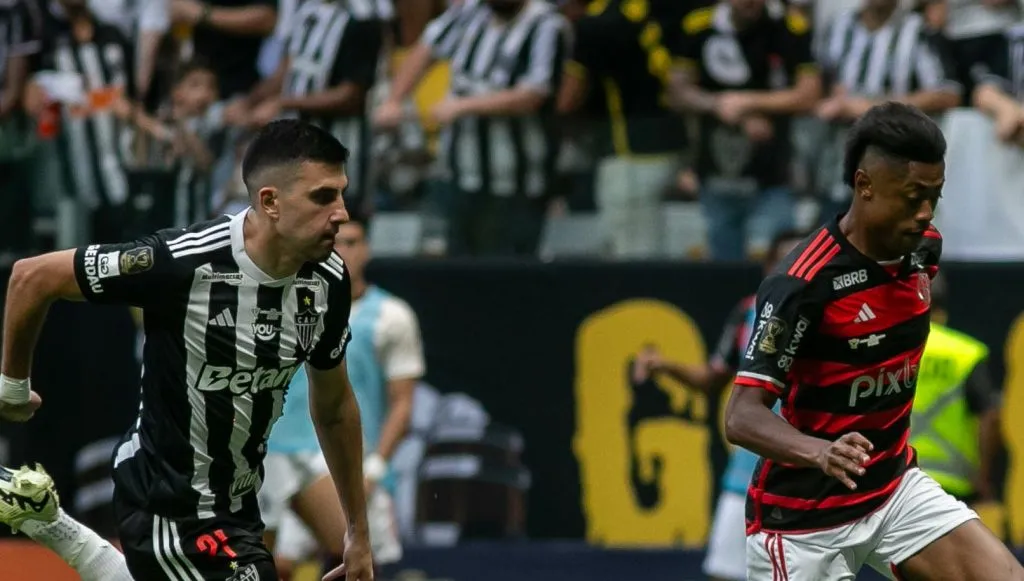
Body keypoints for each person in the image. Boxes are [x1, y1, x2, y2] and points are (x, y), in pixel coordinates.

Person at [0, 119, 375, 581]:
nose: (341, 212)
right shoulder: (183, 260)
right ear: (270, 202)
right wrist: (12, 388)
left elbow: (335, 406)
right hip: (166, 498)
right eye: (323, 197)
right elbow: (32, 276)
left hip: (237, 506)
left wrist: (357, 531)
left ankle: (50, 522)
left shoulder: (328, 280)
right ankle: (55, 527)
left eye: (341, 194)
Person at [726, 101, 1024, 580]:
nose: (925, 213)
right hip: (803, 519)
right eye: (912, 197)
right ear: (864, 186)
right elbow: (741, 416)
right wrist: (820, 452)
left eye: (935, 196)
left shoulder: (923, 249)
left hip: (892, 490)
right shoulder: (803, 283)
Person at [635, 229, 806, 581]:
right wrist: (664, 365)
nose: (792, 271)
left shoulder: (832, 317)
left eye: (801, 261)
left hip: (804, 477)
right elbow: (713, 379)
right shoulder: (747, 313)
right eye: (784, 262)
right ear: (768, 268)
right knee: (723, 575)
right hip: (746, 476)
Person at [261, 215, 424, 580]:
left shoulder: (392, 316)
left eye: (351, 243)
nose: (342, 252)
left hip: (344, 459)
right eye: (336, 243)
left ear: (366, 249)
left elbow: (403, 402)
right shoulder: (289, 301)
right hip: (271, 452)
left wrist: (377, 466)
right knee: (267, 565)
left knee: (355, 556)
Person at [912, 273, 1003, 504]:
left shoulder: (889, 350)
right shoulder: (967, 353)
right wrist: (983, 476)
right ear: (942, 312)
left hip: (898, 478)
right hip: (954, 482)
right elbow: (989, 417)